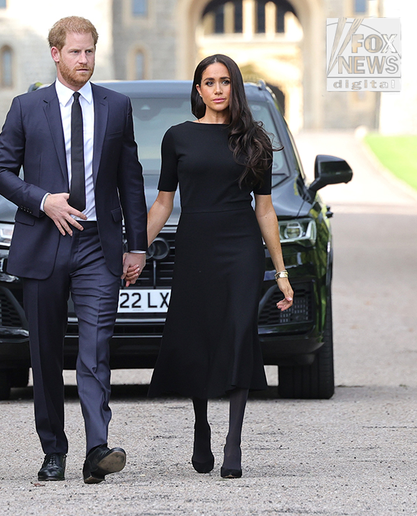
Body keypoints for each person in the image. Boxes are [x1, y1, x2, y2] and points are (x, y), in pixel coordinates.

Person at [0, 16, 147, 484]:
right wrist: (42, 200)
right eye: (76, 52)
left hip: (99, 243)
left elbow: (130, 180)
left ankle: (97, 448)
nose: (85, 60)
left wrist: (136, 245)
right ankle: (53, 450)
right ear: (55, 54)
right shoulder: (25, 107)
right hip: (46, 241)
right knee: (45, 352)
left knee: (96, 349)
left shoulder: (116, 106)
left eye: (90, 51)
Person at [144, 54, 293, 479]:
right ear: (198, 90)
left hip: (241, 249)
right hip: (195, 246)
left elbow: (265, 211)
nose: (217, 89)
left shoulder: (255, 140)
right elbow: (162, 203)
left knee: (239, 333)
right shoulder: (177, 138)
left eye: (225, 82)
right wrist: (134, 249)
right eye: (209, 82)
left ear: (235, 88)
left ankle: (234, 442)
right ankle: (201, 425)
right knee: (199, 335)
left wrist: (281, 272)